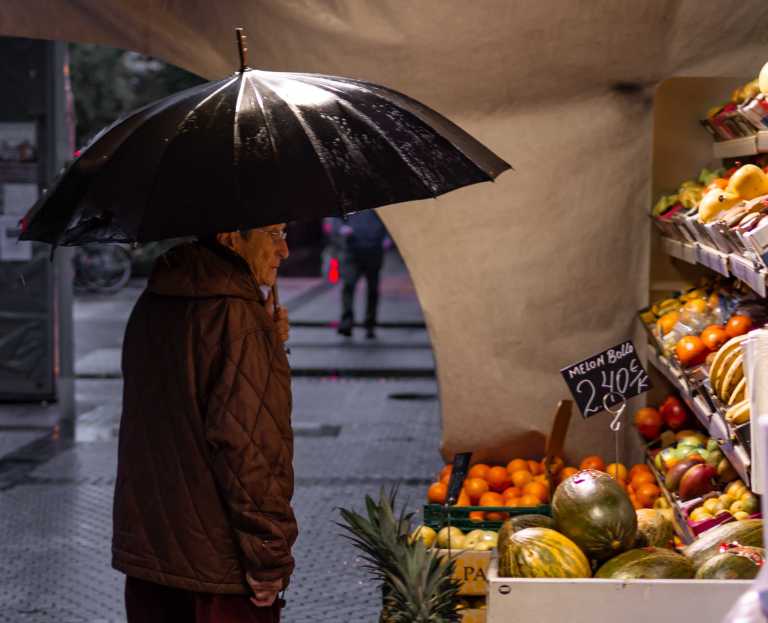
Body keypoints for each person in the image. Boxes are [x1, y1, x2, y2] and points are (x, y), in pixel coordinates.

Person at [112, 224, 295, 623]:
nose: (284, 250)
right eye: (274, 234)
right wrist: (268, 556)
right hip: (220, 574)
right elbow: (248, 449)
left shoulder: (152, 302)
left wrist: (269, 346)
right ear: (231, 237)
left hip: (151, 560)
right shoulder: (237, 316)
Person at [325, 211, 389, 338]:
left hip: (374, 248)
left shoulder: (379, 203)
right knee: (348, 284)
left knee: (373, 289)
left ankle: (370, 324)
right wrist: (341, 229)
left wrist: (387, 238)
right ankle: (347, 321)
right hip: (352, 248)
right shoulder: (349, 198)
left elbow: (390, 222)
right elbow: (336, 220)